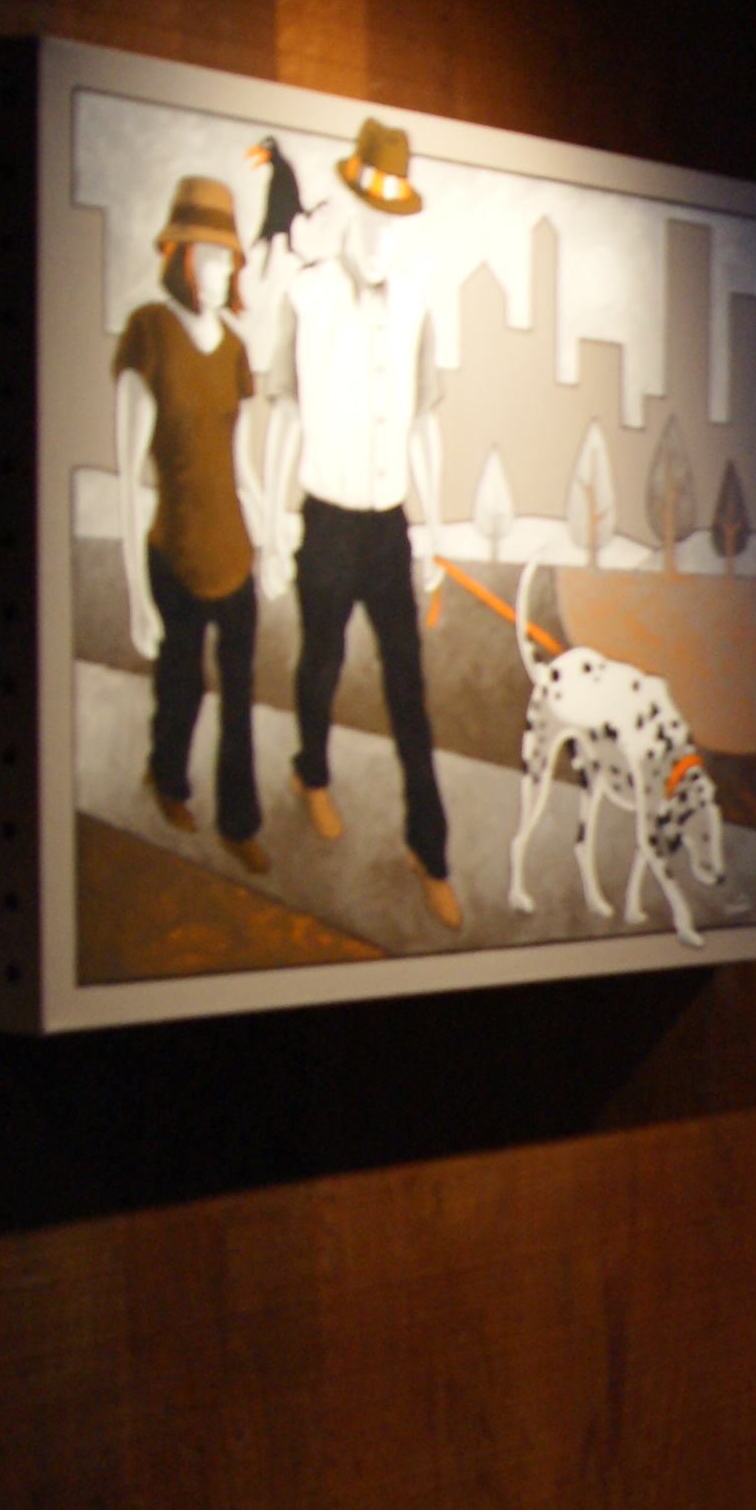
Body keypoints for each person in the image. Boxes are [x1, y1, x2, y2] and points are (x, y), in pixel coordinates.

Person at [259, 116, 462, 929]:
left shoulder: (415, 306)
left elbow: (424, 425)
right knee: (320, 662)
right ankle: (311, 770)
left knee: (408, 688)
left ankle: (430, 846)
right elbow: (283, 416)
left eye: (393, 217)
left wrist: (436, 531)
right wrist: (275, 527)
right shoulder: (304, 297)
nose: (380, 231)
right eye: (370, 213)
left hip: (387, 528)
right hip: (326, 520)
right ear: (349, 206)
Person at [114, 172, 270, 873]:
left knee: (240, 699)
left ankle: (240, 822)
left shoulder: (235, 348)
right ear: (177, 257)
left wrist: (271, 539)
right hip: (173, 553)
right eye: (202, 255)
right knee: (180, 684)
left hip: (234, 552)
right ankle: (166, 778)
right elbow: (127, 479)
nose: (215, 269)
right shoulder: (149, 334)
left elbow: (244, 464)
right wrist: (138, 598)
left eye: (224, 257)